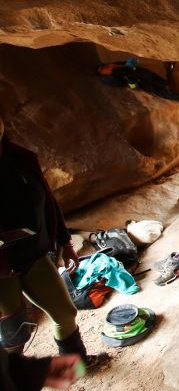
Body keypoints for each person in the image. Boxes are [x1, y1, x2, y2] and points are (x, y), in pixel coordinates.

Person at [0, 117, 108, 367]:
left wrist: (66, 243)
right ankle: (12, 380)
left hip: (33, 255)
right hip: (2, 270)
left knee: (65, 313)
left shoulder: (21, 159)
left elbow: (48, 202)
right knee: (14, 335)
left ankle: (77, 366)